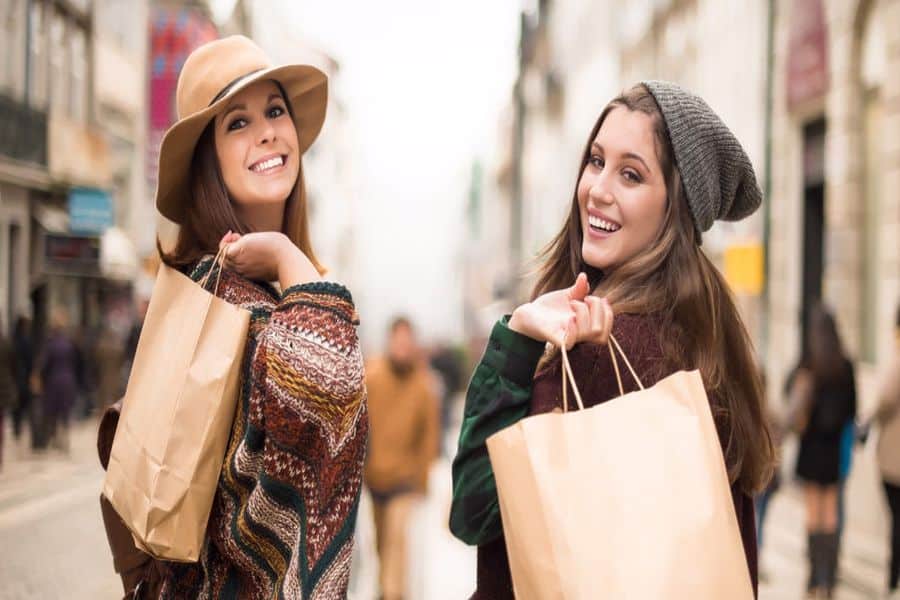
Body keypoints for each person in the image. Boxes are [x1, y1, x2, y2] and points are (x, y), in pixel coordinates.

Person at [449, 81, 775, 599]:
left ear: (675, 209)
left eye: (630, 174)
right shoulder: (707, 340)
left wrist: (515, 343)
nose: (597, 188)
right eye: (596, 161)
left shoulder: (603, 346)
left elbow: (475, 509)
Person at [99, 35, 368, 598]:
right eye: (236, 123)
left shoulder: (262, 294)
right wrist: (290, 259)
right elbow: (328, 385)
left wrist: (286, 262)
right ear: (208, 163)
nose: (267, 130)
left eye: (275, 110)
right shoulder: (222, 302)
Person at [364, 316, 440, 600]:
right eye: (398, 340)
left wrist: (422, 480)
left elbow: (429, 437)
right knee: (382, 544)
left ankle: (393, 593)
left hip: (405, 480)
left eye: (407, 341)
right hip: (375, 477)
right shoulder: (372, 375)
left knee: (397, 541)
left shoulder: (424, 386)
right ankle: (386, 590)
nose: (402, 347)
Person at [789, 305, 857, 598]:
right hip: (832, 452)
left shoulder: (808, 363)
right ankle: (829, 581)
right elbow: (853, 409)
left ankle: (813, 580)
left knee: (813, 514)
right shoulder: (846, 365)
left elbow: (789, 393)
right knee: (831, 514)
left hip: (810, 449)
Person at [864, 303, 900, 597]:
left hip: (895, 459)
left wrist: (868, 418)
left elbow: (886, 398)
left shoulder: (899, 358)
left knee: (897, 519)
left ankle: (893, 578)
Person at [35, 309, 80, 453]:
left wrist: (39, 377)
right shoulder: (69, 344)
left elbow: (45, 364)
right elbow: (76, 363)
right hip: (68, 379)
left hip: (54, 381)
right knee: (65, 411)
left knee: (52, 411)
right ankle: (64, 438)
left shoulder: (50, 344)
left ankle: (55, 438)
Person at [11, 316, 34, 447]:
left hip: (15, 378)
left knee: (17, 407)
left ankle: (17, 428)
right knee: (23, 404)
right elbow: (29, 360)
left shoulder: (13, 340)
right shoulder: (26, 341)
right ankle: (20, 429)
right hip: (23, 378)